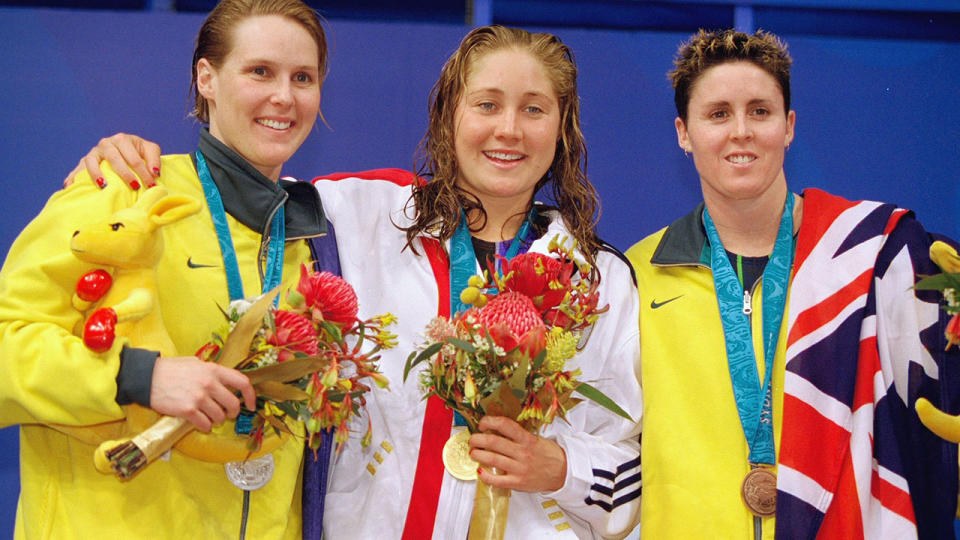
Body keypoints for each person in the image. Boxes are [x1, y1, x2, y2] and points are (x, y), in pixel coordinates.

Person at [68, 25, 643, 539]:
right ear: (449, 115)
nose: (509, 130)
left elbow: (642, 465)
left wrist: (564, 470)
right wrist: (130, 162)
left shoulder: (596, 278)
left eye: (535, 109)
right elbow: (230, 188)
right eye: (487, 105)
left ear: (563, 126)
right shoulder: (361, 213)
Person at [0, 0, 330, 537]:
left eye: (303, 77)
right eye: (260, 71)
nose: (284, 97)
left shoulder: (311, 243)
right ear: (207, 77)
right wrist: (139, 377)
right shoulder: (121, 192)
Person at [624, 28, 960, 539]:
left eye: (760, 111)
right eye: (718, 114)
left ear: (789, 126)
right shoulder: (636, 274)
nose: (741, 131)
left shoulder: (869, 256)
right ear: (683, 133)